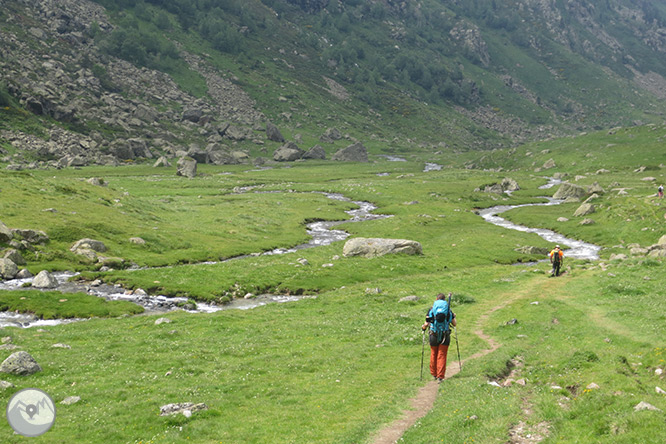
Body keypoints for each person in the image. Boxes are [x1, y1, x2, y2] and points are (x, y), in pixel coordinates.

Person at [421, 293, 456, 382]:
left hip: (433, 334)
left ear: (436, 299)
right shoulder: (448, 310)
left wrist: (423, 327)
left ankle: (434, 374)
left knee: (434, 353)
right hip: (445, 335)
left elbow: (427, 323)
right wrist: (453, 317)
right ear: (444, 300)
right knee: (442, 354)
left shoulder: (432, 310)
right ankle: (440, 376)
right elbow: (454, 324)